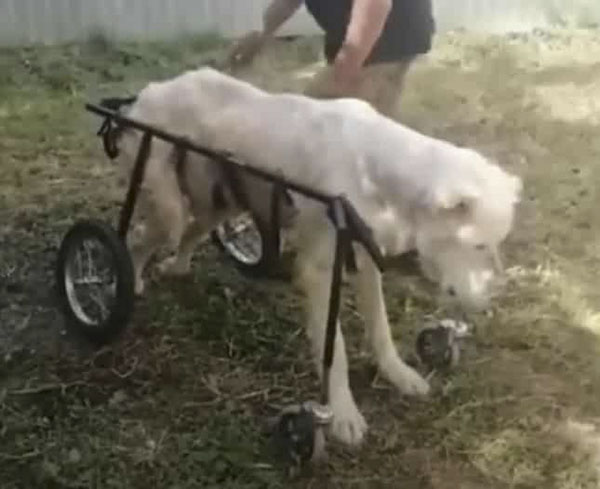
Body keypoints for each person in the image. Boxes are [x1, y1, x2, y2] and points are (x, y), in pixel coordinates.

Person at [228, 0, 435, 117]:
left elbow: (376, 3)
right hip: (367, 34)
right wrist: (262, 34)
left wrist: (346, 66)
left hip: (387, 38)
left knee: (319, 119)